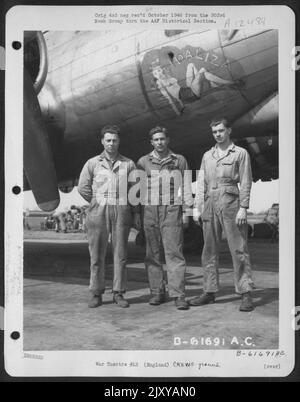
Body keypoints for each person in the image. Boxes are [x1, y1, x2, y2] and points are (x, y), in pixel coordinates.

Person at [190, 117, 254, 312]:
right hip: (210, 202)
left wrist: (243, 207)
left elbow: (245, 180)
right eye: (214, 132)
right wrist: (196, 207)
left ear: (229, 131)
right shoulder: (207, 155)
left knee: (239, 249)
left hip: (231, 202)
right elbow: (201, 182)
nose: (217, 134)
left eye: (220, 130)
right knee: (209, 250)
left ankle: (245, 293)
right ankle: (209, 292)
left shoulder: (240, 153)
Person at [78, 125, 141, 308]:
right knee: (97, 254)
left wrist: (136, 213)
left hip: (122, 210)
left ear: (119, 141)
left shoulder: (128, 164)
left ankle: (118, 292)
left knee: (120, 254)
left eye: (114, 140)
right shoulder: (92, 163)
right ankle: (96, 292)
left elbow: (135, 191)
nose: (111, 143)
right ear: (102, 142)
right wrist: (97, 201)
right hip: (99, 211)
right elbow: (83, 186)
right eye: (108, 140)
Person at [137, 126, 194, 310]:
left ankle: (178, 294)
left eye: (162, 139)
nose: (160, 142)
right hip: (149, 209)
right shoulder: (143, 162)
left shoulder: (179, 160)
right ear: (151, 142)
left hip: (171, 208)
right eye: (156, 139)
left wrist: (187, 213)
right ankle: (157, 292)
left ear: (167, 140)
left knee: (174, 253)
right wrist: (137, 214)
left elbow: (186, 187)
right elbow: (137, 191)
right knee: (152, 254)